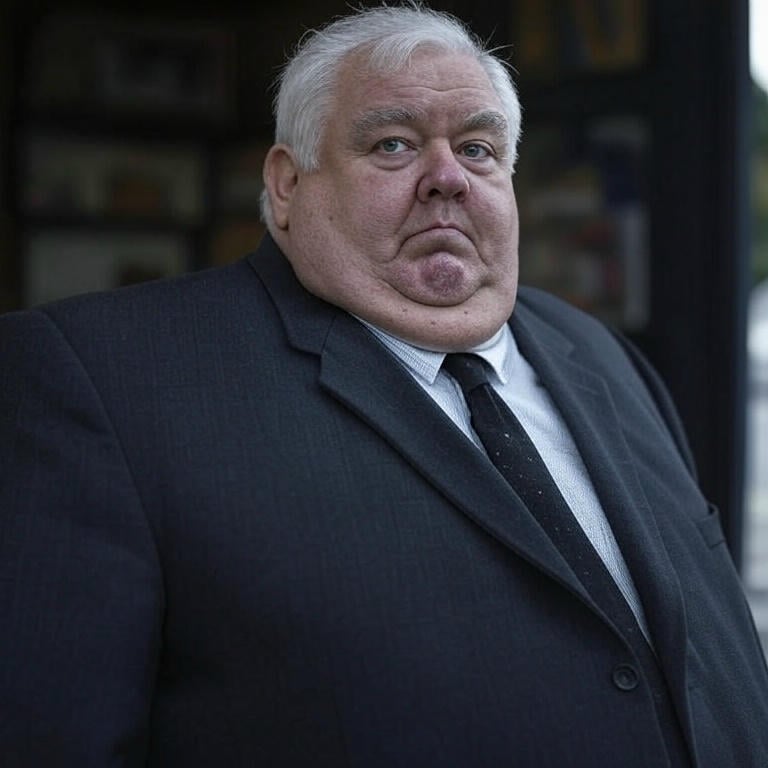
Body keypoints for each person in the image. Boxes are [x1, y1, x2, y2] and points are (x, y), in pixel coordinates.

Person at [1, 3, 767, 766]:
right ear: (288, 183)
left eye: (477, 149)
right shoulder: (101, 377)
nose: (447, 180)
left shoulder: (598, 354)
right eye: (394, 144)